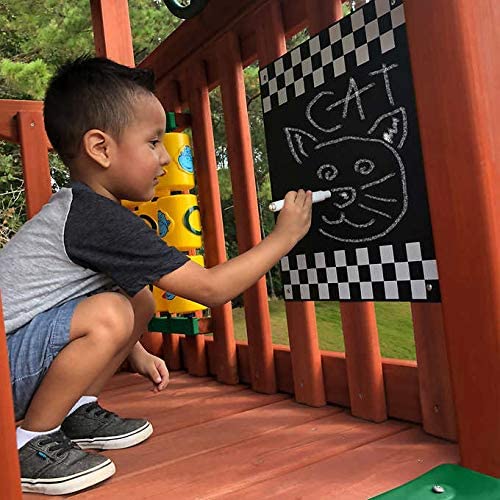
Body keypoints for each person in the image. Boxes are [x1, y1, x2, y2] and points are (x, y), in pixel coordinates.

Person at [0, 56, 312, 495]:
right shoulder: (94, 217)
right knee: (110, 313)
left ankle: (75, 410)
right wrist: (285, 237)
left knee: (138, 299)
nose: (166, 157)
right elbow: (211, 289)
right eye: (152, 142)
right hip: (3, 370)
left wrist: (136, 351)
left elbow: (84, 296)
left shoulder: (86, 210)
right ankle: (29, 445)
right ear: (101, 148)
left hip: (14, 357)